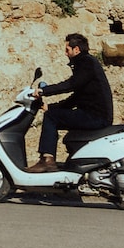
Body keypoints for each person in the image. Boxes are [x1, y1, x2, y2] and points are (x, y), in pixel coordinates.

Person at [26, 33, 112, 173]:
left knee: (52, 117)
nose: (65, 53)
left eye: (67, 50)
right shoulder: (87, 64)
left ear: (76, 49)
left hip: (95, 117)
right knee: (53, 113)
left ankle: (47, 160)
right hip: (92, 114)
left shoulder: (86, 62)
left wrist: (43, 91)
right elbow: (77, 96)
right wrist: (51, 106)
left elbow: (71, 84)